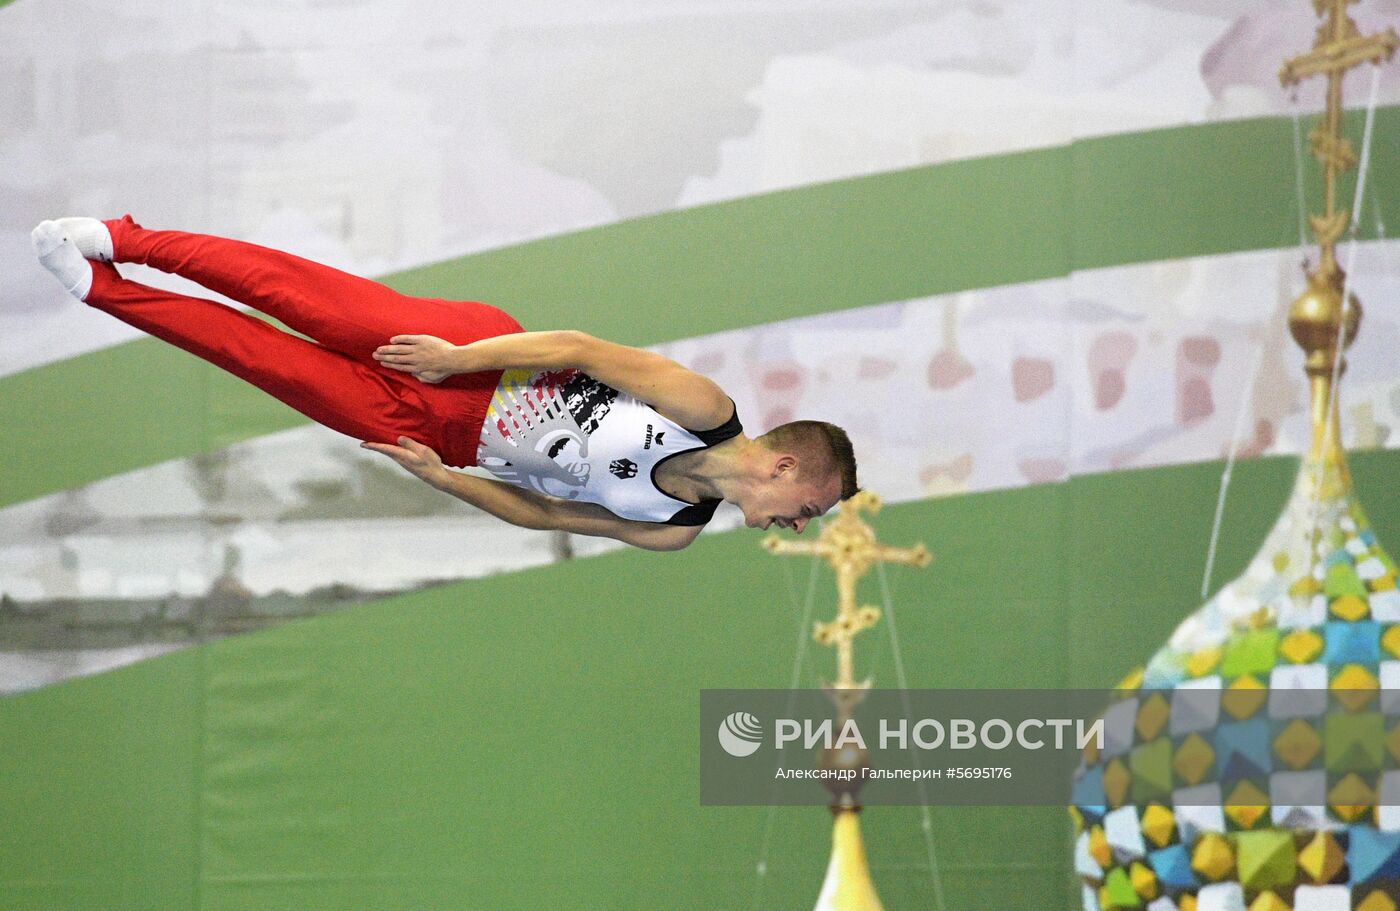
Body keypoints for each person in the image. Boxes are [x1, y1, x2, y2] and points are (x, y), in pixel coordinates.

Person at [31, 216, 859, 551]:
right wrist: (457, 360)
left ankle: (100, 289)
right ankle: (125, 239)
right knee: (291, 295)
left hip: (457, 439)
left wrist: (448, 477)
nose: (796, 524)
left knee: (263, 360)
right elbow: (577, 345)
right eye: (808, 508)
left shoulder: (675, 526)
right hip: (476, 355)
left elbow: (542, 512)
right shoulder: (705, 411)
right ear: (785, 466)